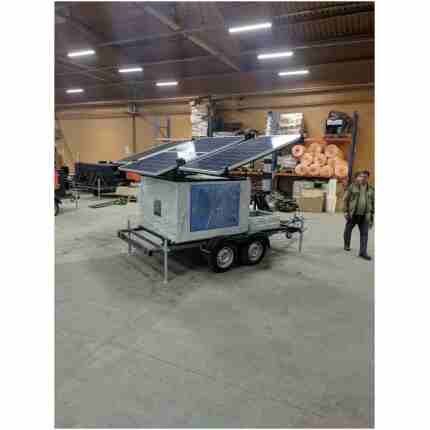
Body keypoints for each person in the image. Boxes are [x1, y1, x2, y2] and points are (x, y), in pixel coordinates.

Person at [343, 170, 374, 260]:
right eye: (361, 176)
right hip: (353, 214)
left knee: (364, 234)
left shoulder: (371, 189)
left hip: (365, 215)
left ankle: (363, 252)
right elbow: (346, 199)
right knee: (348, 230)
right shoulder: (352, 187)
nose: (363, 178)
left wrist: (372, 215)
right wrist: (345, 211)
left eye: (365, 177)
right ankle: (347, 244)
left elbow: (373, 202)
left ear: (368, 178)